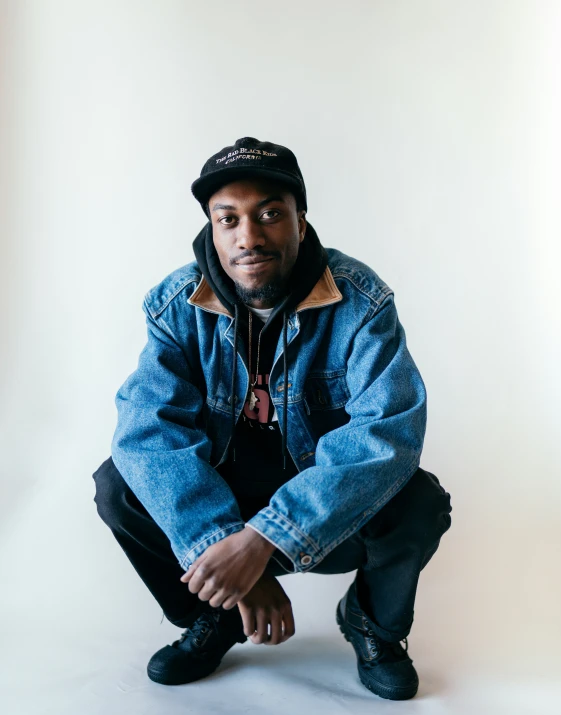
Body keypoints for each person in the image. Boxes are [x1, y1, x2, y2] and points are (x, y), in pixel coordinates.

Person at [92, 136, 453, 701]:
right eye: (228, 218)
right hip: (226, 494)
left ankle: (371, 624)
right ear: (212, 228)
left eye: (269, 214)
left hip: (327, 502)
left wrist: (265, 538)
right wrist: (230, 551)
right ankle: (216, 614)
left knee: (421, 501)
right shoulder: (174, 305)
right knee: (118, 487)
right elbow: (147, 433)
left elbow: (389, 433)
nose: (249, 236)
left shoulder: (361, 301)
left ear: (300, 223)